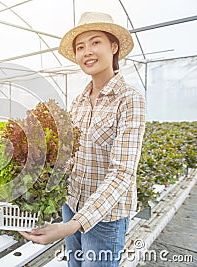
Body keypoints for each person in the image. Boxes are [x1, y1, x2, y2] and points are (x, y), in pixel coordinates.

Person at [20, 12, 146, 266]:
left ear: (113, 47)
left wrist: (71, 226)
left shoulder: (129, 99)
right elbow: (69, 158)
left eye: (95, 42)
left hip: (105, 217)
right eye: (80, 47)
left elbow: (122, 172)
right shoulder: (78, 101)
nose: (87, 51)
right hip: (72, 205)